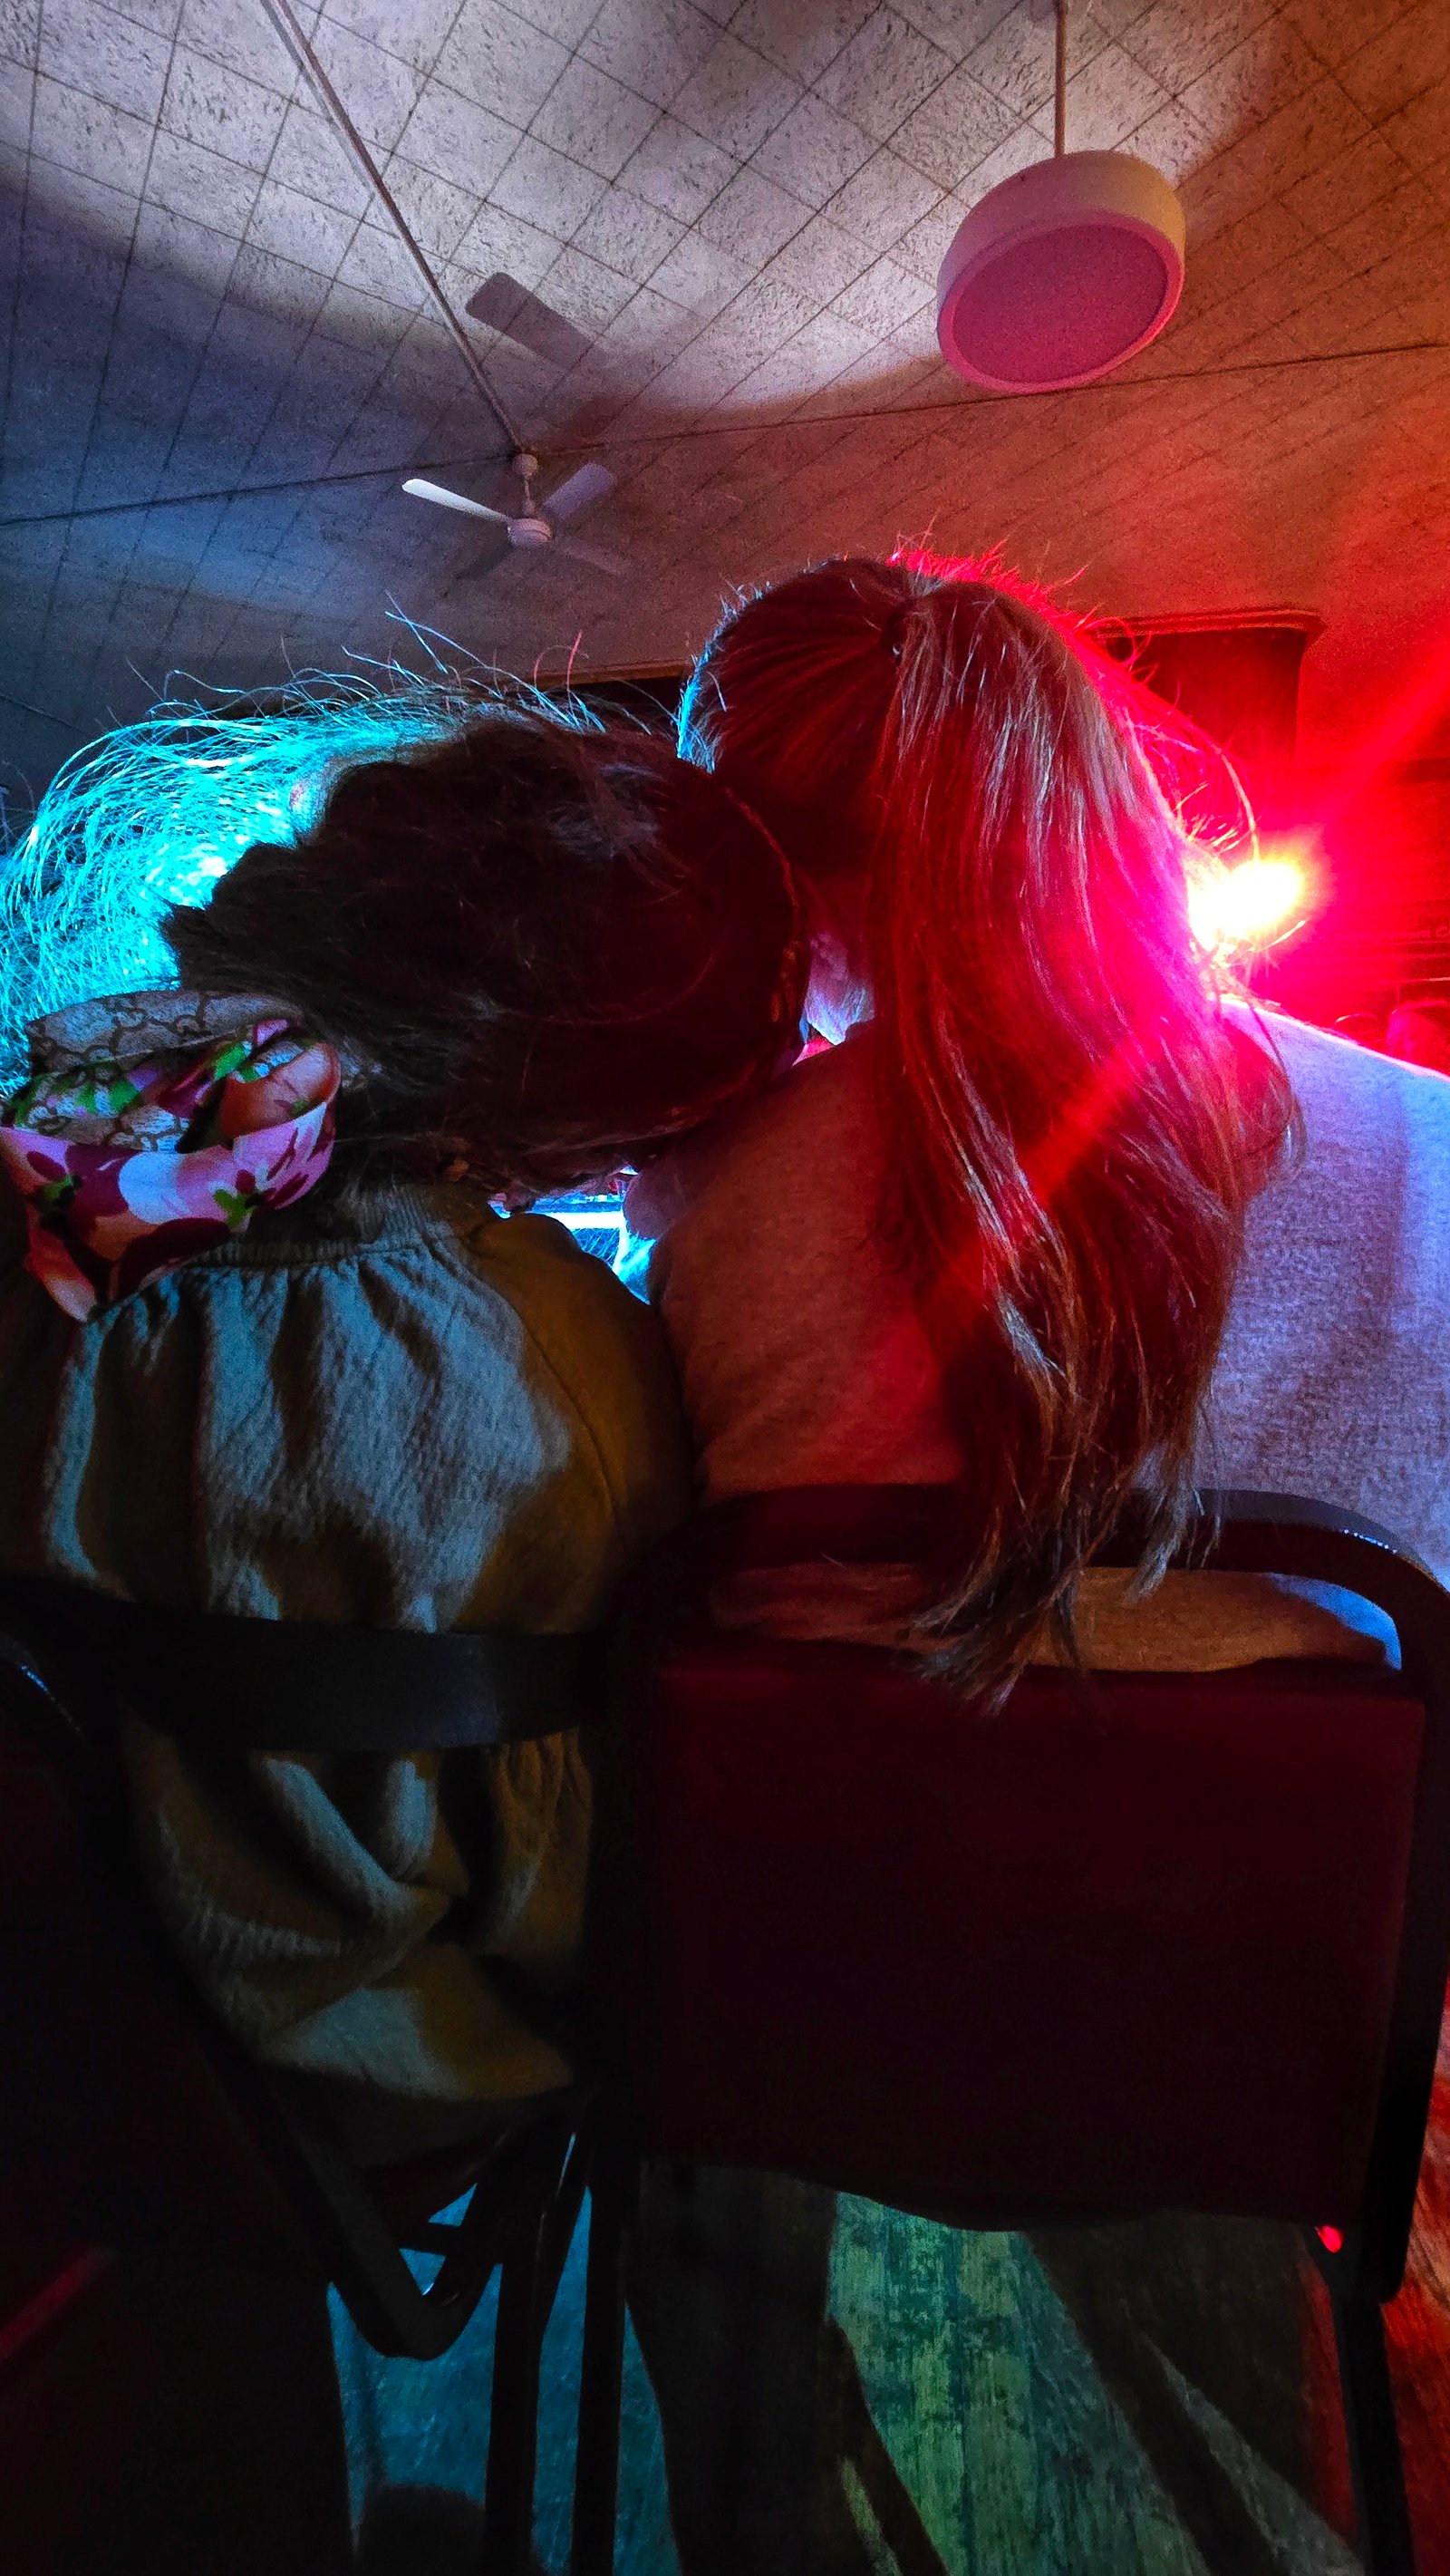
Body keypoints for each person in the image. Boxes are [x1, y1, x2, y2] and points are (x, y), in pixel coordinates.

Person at [0, 702, 804, 2155]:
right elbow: (575, 1883)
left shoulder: (57, 1180)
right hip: (344, 2087)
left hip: (54, 2036)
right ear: (591, 1128)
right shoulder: (575, 1371)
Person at [624, 552, 1450, 1680]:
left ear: (751, 878)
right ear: (1098, 790)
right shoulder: (1430, 1134)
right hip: (1348, 1793)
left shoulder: (722, 1180)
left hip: (839, 1788)